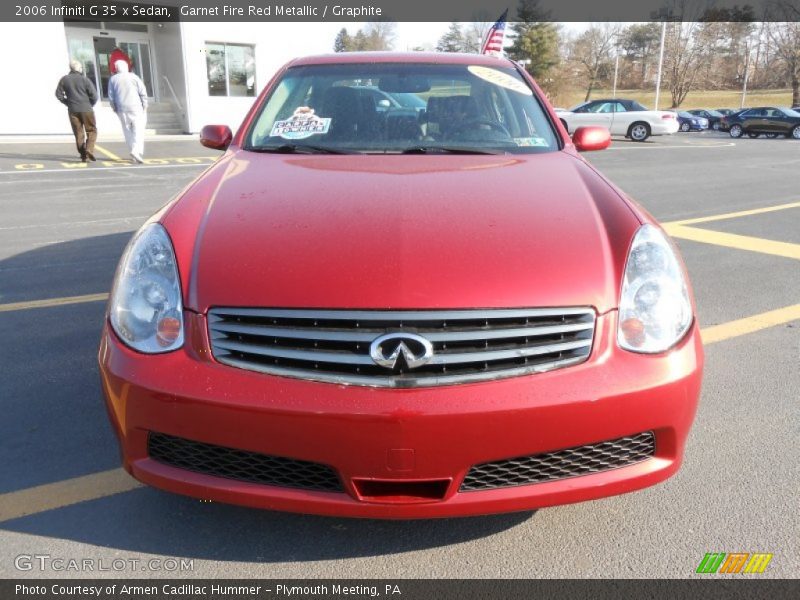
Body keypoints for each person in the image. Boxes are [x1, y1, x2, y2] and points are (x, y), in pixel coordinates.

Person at [55, 60, 98, 162]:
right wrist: (90, 104)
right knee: (92, 130)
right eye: (81, 67)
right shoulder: (85, 79)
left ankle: (83, 155)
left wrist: (67, 103)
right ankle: (89, 149)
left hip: (73, 110)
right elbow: (94, 96)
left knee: (78, 132)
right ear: (78, 69)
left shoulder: (64, 79)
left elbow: (58, 94)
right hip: (86, 109)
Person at [108, 60, 148, 163]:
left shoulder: (113, 79)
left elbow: (111, 96)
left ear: (117, 68)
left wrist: (114, 107)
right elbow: (142, 92)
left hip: (121, 108)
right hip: (136, 107)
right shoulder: (134, 77)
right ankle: (136, 151)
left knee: (127, 130)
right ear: (126, 67)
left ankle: (134, 154)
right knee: (138, 130)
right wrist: (145, 105)